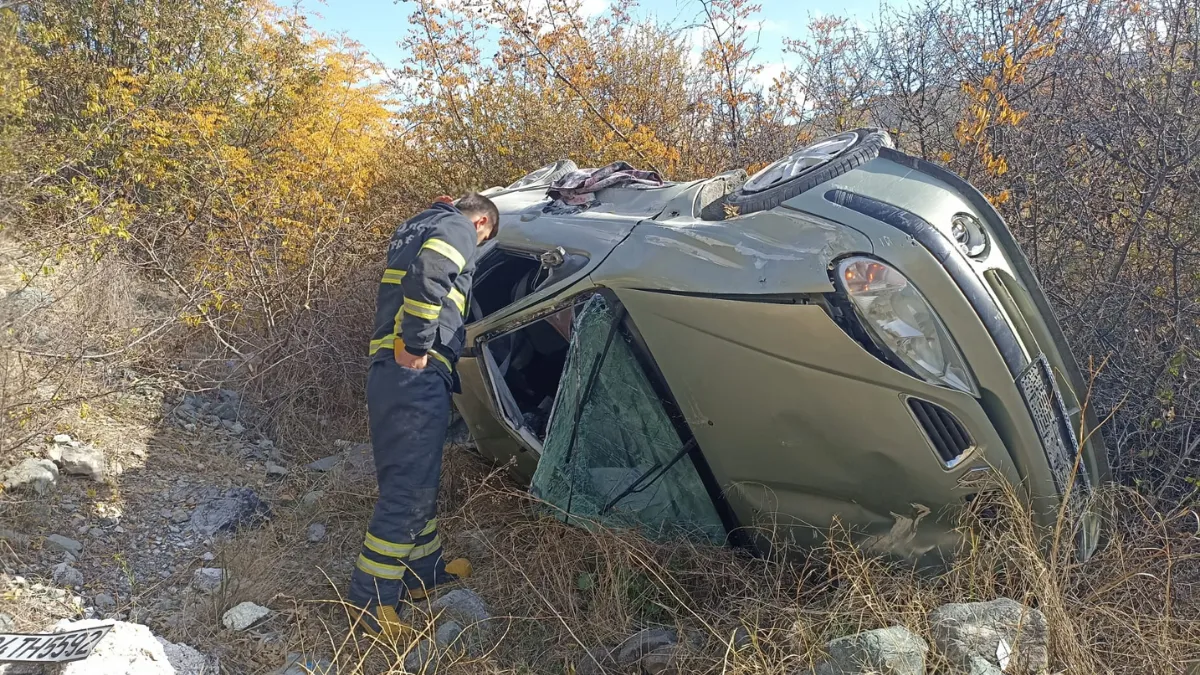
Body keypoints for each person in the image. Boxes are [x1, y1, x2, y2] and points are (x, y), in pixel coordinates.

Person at [348, 192, 499, 639]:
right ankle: (370, 599)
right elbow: (431, 272)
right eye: (485, 240)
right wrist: (417, 344)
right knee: (408, 490)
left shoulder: (417, 225)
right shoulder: (457, 227)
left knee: (418, 480)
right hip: (413, 371)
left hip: (392, 374)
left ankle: (424, 573)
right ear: (482, 224)